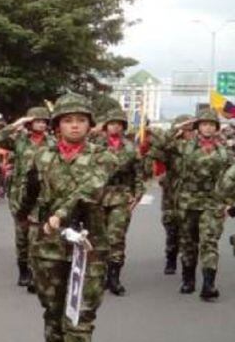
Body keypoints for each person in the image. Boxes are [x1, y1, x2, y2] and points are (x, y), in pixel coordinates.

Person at [19, 94, 108, 342]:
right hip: (49, 246)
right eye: (68, 120)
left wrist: (59, 213)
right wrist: (24, 217)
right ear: (57, 125)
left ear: (90, 126)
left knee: (81, 313)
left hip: (89, 245)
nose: (75, 126)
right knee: (54, 310)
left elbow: (90, 189)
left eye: (81, 120)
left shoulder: (102, 157)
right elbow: (26, 190)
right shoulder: (41, 156)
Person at [152, 107, 231, 301]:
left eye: (211, 125)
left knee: (209, 242)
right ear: (197, 127)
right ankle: (188, 280)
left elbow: (231, 178)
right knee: (188, 242)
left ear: (217, 128)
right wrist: (178, 127)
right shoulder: (184, 147)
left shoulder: (224, 151)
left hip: (212, 201)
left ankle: (208, 285)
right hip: (187, 201)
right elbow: (159, 144)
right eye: (204, 124)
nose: (208, 128)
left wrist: (230, 202)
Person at [0, 106, 54, 290]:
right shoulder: (20, 141)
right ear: (30, 123)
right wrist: (17, 123)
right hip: (20, 195)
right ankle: (23, 269)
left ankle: (35, 272)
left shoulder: (52, 142)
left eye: (44, 121)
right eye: (37, 121)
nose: (41, 124)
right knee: (22, 235)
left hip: (42, 194)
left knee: (38, 234)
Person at [93, 98, 144, 296]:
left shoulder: (130, 148)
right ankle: (97, 275)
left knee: (116, 238)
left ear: (123, 127)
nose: (115, 127)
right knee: (96, 237)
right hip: (96, 196)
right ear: (105, 126)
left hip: (120, 196)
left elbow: (138, 173)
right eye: (111, 123)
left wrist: (137, 195)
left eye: (119, 124)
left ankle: (114, 278)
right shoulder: (94, 145)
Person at [149, 114, 193, 275]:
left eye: (191, 129)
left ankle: (188, 262)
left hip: (192, 195)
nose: (189, 133)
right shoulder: (170, 148)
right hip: (171, 194)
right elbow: (156, 150)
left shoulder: (197, 147)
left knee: (189, 229)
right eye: (185, 130)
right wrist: (173, 131)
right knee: (172, 228)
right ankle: (171, 258)